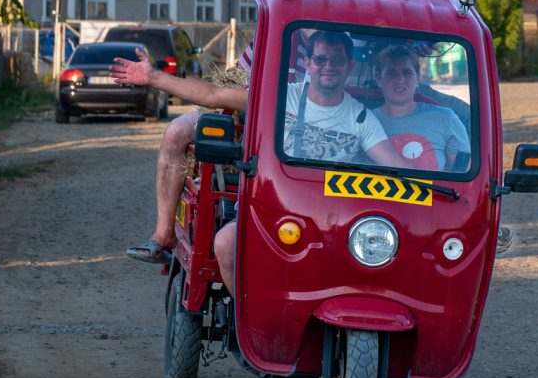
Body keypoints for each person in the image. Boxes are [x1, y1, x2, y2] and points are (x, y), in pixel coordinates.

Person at [123, 0, 469, 265]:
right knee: (181, 131)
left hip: (319, 92)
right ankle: (163, 234)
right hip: (262, 78)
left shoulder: (394, 6)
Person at [112, 30, 406, 280]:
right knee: (226, 243)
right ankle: (246, 332)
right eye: (321, 59)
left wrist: (444, 180)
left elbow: (397, 167)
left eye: (337, 60)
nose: (329, 66)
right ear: (308, 63)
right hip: (272, 210)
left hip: (331, 223)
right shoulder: (279, 98)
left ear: (349, 65)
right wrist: (153, 77)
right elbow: (212, 95)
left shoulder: (362, 118)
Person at [370, 44, 469, 172]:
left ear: (418, 77)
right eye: (391, 74)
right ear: (378, 78)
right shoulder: (365, 121)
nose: (400, 79)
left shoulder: (446, 118)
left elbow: (463, 173)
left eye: (407, 73)